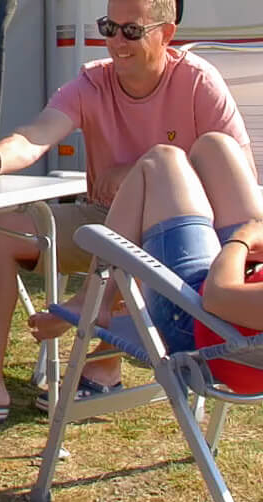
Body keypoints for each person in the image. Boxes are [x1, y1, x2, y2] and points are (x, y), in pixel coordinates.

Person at [0, 0, 254, 430]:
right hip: (103, 223)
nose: (116, 42)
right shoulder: (93, 81)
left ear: (167, 33)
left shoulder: (198, 81)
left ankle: (104, 362)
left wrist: (137, 172)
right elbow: (37, 135)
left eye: (131, 30)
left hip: (177, 235)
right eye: (109, 26)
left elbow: (236, 181)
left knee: (182, 162)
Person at [77, 132, 263, 380]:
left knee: (161, 160)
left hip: (201, 328)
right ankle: (99, 299)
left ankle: (96, 298)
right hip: (238, 318)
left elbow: (216, 297)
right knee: (216, 146)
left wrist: (241, 240)